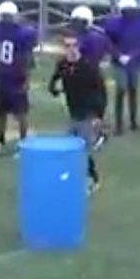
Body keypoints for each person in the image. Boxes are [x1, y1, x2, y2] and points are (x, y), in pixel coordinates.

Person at [49, 31, 105, 194]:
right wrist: (54, 89)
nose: (71, 49)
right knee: (70, 146)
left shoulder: (88, 66)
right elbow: (54, 81)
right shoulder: (63, 64)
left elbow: (101, 92)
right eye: (67, 46)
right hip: (73, 110)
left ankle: (92, 179)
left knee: (82, 148)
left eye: (74, 45)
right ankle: (74, 176)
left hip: (88, 112)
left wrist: (98, 116)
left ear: (79, 47)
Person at [0, 1, 37, 157]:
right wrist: (28, 78)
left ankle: (12, 144)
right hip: (12, 76)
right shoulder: (25, 33)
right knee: (15, 113)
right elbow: (29, 58)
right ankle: (14, 144)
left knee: (8, 113)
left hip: (3, 75)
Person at [102, 0, 140, 135]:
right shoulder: (114, 24)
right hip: (120, 63)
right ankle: (119, 125)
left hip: (134, 62)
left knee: (133, 90)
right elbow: (108, 42)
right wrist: (119, 55)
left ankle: (133, 122)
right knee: (121, 89)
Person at [70, 5, 112, 149]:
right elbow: (108, 54)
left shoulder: (83, 39)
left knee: (87, 107)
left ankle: (98, 134)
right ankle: (96, 132)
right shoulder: (100, 35)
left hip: (85, 76)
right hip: (95, 74)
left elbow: (75, 56)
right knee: (95, 107)